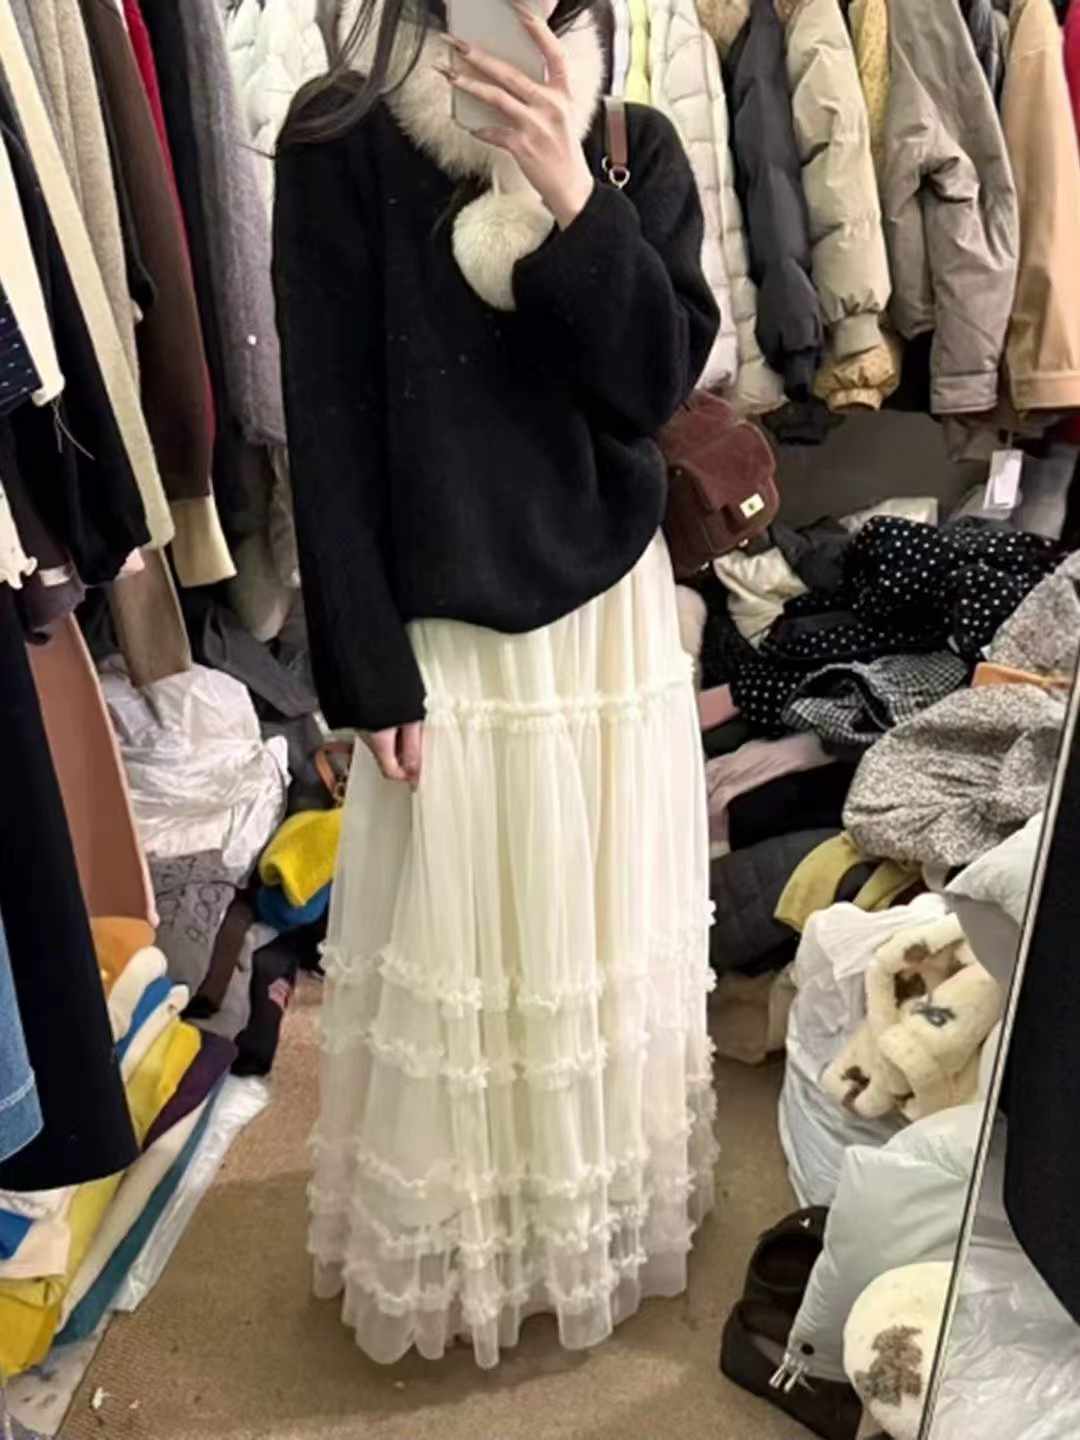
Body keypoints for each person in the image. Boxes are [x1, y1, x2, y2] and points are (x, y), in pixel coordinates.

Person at [273, 0, 720, 1370]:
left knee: (593, 926)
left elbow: (656, 383)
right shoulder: (338, 139)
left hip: (609, 621)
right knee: (464, 951)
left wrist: (573, 189)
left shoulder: (634, 139)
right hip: (446, 622)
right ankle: (473, 1246)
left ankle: (589, 1222)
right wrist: (364, 668)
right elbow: (325, 423)